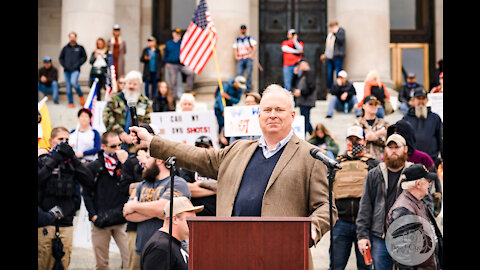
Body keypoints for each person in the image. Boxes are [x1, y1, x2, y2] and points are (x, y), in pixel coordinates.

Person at [129, 84, 337, 270]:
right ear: (259, 115)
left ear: (292, 115)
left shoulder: (311, 157)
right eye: (267, 110)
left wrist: (312, 228)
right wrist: (153, 142)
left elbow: (327, 206)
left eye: (279, 109)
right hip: (233, 254)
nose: (273, 114)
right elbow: (196, 156)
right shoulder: (238, 150)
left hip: (282, 256)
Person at [38, 127, 94, 270]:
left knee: (63, 261)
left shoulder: (71, 163)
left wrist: (74, 159)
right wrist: (54, 159)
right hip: (45, 222)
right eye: (60, 139)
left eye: (67, 140)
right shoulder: (43, 160)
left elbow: (89, 180)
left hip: (66, 222)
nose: (64, 143)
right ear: (51, 141)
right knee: (43, 261)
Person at [356, 134, 413, 270]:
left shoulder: (414, 173)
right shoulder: (374, 174)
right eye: (390, 147)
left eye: (397, 147)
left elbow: (426, 205)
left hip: (407, 239)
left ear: (405, 149)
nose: (393, 150)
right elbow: (365, 206)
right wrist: (362, 236)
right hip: (380, 237)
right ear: (385, 150)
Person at [122, 150, 191, 261]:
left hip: (169, 250)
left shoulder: (177, 183)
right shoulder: (141, 185)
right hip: (141, 250)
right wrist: (158, 212)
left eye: (148, 158)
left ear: (159, 161)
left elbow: (162, 208)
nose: (143, 162)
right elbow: (128, 214)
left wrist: (135, 206)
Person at [329, 126, 380, 270]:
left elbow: (379, 195)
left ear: (364, 141)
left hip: (364, 226)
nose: (354, 143)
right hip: (341, 223)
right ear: (346, 141)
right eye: (350, 140)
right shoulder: (336, 165)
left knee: (365, 267)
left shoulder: (373, 164)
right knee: (336, 266)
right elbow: (328, 192)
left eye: (357, 140)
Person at [82, 131, 131, 269]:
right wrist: (93, 216)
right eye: (113, 146)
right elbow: (85, 193)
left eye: (120, 145)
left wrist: (126, 163)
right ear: (104, 147)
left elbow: (135, 183)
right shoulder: (94, 166)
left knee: (130, 260)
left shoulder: (125, 163)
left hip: (122, 218)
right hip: (101, 220)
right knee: (102, 263)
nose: (118, 149)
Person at [386, 164, 443, 269]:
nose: (430, 184)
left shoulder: (418, 202)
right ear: (418, 184)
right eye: (428, 181)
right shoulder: (403, 210)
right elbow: (403, 255)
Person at [386, 119, 442, 217]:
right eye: (393, 132)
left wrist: (434, 207)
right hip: (391, 212)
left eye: (399, 132)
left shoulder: (423, 158)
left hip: (418, 212)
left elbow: (434, 184)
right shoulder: (386, 160)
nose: (396, 135)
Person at [141, 197, 204, 270]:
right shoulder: (161, 248)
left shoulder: (173, 244)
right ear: (175, 219)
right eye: (190, 219)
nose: (194, 223)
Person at [103, 70, 152, 153]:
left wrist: (135, 136)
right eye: (129, 83)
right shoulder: (115, 98)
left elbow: (148, 120)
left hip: (137, 146)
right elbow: (107, 116)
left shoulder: (144, 101)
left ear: (139, 85)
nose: (131, 86)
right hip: (117, 142)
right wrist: (121, 133)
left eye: (135, 84)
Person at [402, 88, 443, 167]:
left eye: (423, 98)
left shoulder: (435, 118)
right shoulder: (406, 119)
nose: (421, 101)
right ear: (413, 100)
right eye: (418, 98)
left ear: (427, 100)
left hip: (431, 160)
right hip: (411, 161)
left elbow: (440, 139)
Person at [178, 136, 217, 216]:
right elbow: (187, 190)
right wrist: (215, 190)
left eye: (206, 147)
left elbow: (226, 187)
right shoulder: (189, 166)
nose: (202, 150)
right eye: (199, 147)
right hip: (196, 216)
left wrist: (199, 185)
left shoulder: (219, 166)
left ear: (212, 148)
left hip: (218, 215)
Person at [353, 95, 390, 160]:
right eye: (370, 104)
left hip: (381, 160)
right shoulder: (357, 124)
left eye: (375, 104)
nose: (373, 106)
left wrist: (374, 137)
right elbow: (354, 142)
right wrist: (378, 134)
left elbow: (389, 142)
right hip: (362, 160)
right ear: (363, 106)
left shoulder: (384, 123)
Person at [213, 76, 246, 146]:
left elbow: (237, 101)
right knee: (221, 124)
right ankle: (220, 140)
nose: (239, 87)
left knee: (228, 124)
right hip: (219, 108)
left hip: (229, 109)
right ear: (235, 83)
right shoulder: (226, 85)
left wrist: (228, 97)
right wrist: (223, 110)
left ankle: (227, 141)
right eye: (239, 85)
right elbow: (220, 98)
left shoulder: (240, 90)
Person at [59, 31, 87, 108]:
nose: (72, 38)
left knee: (73, 82)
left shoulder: (80, 48)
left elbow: (84, 57)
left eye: (73, 37)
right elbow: (61, 58)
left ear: (76, 37)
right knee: (68, 87)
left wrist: (78, 64)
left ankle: (81, 96)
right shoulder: (65, 48)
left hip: (75, 70)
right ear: (69, 38)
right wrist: (65, 65)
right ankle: (70, 102)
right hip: (67, 70)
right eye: (71, 37)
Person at [164, 28, 195, 98]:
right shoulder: (169, 43)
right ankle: (174, 96)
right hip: (172, 64)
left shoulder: (183, 42)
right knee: (173, 80)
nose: (178, 35)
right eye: (176, 33)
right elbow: (165, 53)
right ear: (173, 34)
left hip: (182, 64)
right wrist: (166, 62)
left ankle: (189, 90)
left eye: (179, 34)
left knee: (190, 72)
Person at [292, 58, 316, 135]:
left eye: (301, 65)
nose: (299, 66)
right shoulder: (302, 74)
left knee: (305, 120)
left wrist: (301, 92)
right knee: (306, 120)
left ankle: (308, 135)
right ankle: (313, 135)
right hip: (302, 101)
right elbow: (293, 85)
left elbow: (311, 87)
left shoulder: (310, 73)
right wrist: (295, 75)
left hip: (307, 100)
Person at [320, 21, 346, 91]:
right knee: (329, 74)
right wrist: (325, 54)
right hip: (329, 57)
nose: (331, 28)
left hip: (337, 56)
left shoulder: (340, 31)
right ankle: (331, 89)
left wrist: (335, 33)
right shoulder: (330, 34)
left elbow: (341, 41)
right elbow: (329, 46)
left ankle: (338, 88)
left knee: (338, 73)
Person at [233, 24, 257, 93]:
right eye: (242, 29)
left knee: (249, 74)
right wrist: (236, 56)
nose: (243, 30)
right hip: (240, 58)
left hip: (248, 58)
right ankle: (240, 89)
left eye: (244, 29)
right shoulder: (237, 40)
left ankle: (248, 89)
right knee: (239, 74)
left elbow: (254, 47)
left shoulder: (249, 38)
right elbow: (235, 49)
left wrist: (251, 55)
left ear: (246, 30)